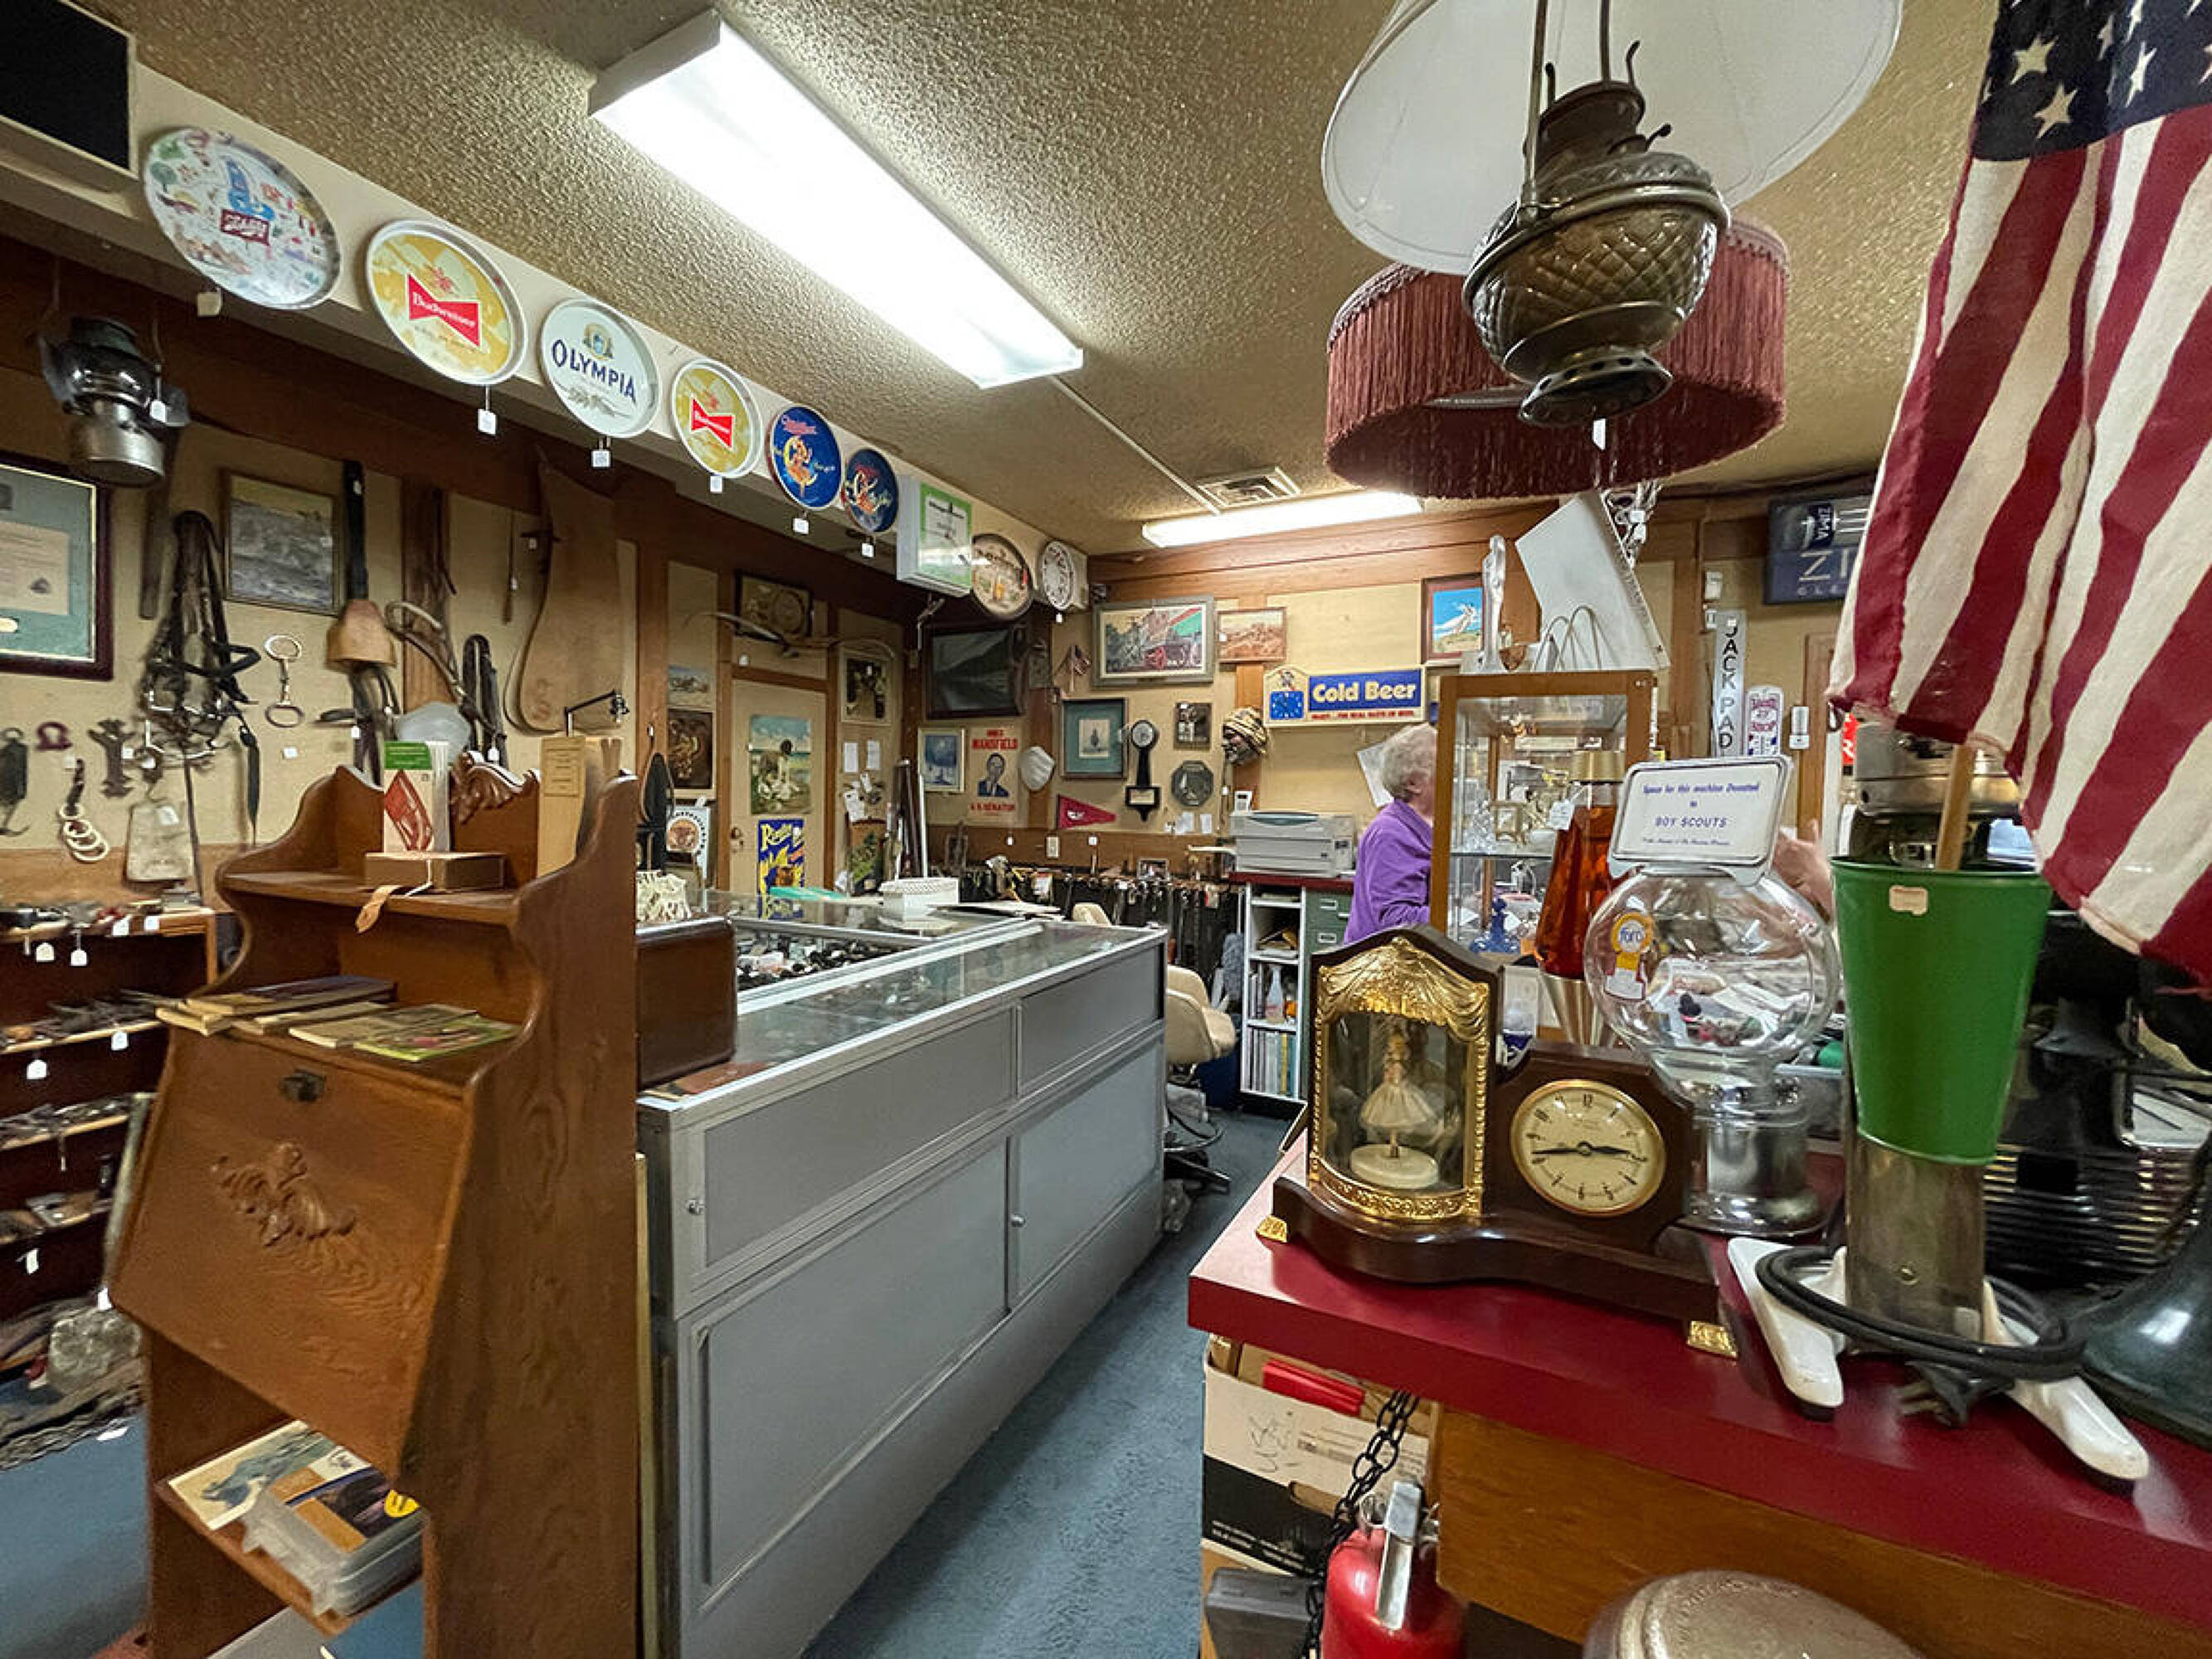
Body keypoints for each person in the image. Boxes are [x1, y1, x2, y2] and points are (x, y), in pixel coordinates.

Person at [1347, 723, 1437, 943]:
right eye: (1444, 765)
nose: (1456, 773)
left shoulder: (1434, 826)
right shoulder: (1390, 833)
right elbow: (1396, 920)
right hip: (1383, 960)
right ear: (1413, 783)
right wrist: (1456, 914)